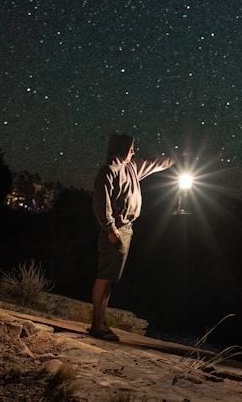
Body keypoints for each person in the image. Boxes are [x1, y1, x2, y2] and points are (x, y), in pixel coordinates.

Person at [89, 133, 174, 341]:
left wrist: (176, 159)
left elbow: (154, 164)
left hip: (126, 228)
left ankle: (100, 322)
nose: (134, 151)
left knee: (110, 277)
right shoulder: (108, 172)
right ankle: (97, 325)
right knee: (105, 275)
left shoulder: (132, 168)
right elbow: (101, 204)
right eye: (131, 148)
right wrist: (111, 229)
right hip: (115, 230)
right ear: (120, 148)